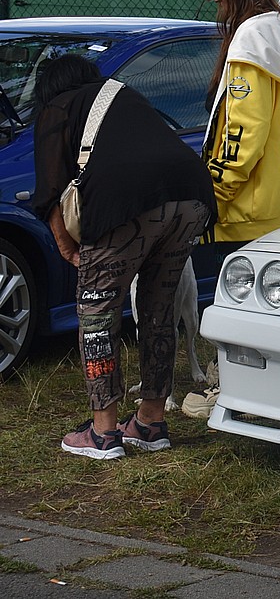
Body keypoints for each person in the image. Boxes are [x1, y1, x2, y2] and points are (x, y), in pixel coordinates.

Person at [32, 55, 215, 459]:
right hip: (193, 195)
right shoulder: (122, 95)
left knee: (96, 316)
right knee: (158, 310)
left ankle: (102, 433)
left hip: (125, 204)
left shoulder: (56, 107)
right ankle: (150, 424)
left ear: (49, 89)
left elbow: (49, 193)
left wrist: (68, 248)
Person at [185, 0, 280, 418]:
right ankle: (254, 394)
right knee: (263, 307)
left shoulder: (250, 42)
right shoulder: (277, 30)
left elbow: (243, 135)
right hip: (272, 202)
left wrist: (212, 190)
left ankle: (229, 393)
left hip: (241, 206)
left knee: (236, 307)